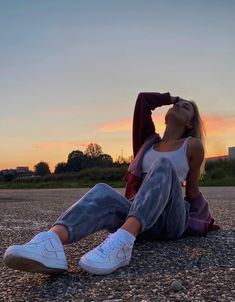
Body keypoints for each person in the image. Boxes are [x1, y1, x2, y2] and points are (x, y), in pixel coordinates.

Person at [3, 92, 219, 275]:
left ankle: (122, 242)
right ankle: (50, 243)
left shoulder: (191, 145)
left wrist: (203, 222)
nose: (180, 105)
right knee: (102, 191)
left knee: (163, 165)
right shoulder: (149, 142)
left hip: (170, 219)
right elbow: (143, 100)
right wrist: (171, 98)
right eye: (178, 104)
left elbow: (191, 193)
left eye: (186, 107)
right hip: (141, 216)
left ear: (190, 123)